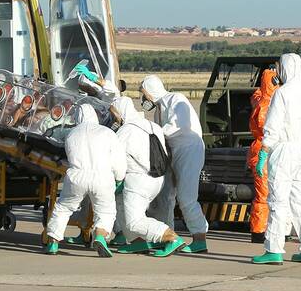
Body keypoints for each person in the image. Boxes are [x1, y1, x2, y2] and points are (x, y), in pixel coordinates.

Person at [252, 53, 301, 265]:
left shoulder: (281, 93)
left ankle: (274, 249)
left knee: (278, 201)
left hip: (282, 151)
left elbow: (272, 125)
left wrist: (264, 151)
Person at [44, 104, 126, 256]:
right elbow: (118, 159)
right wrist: (119, 178)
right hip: (102, 177)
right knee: (105, 211)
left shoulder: (71, 134)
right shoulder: (107, 132)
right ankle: (100, 236)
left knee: (63, 208)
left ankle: (53, 242)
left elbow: (69, 155)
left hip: (77, 176)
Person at [140, 75, 210, 254]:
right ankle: (167, 235)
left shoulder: (175, 99)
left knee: (186, 198)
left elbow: (180, 125)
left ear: (150, 91)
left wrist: (154, 133)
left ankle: (199, 238)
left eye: (143, 94)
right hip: (174, 151)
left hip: (189, 150)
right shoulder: (159, 109)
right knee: (165, 196)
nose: (143, 98)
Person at [109, 96, 183, 256]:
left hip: (137, 180)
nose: (114, 118)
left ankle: (171, 237)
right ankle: (137, 242)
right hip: (157, 179)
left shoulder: (125, 130)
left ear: (120, 112)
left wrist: (115, 179)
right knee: (121, 203)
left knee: (135, 221)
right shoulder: (152, 125)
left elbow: (116, 159)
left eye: (114, 114)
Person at [247, 67, 278, 242]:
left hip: (264, 150)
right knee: (264, 194)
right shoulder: (267, 104)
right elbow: (267, 129)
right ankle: (259, 231)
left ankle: (263, 229)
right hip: (264, 150)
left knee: (267, 193)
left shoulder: (262, 99)